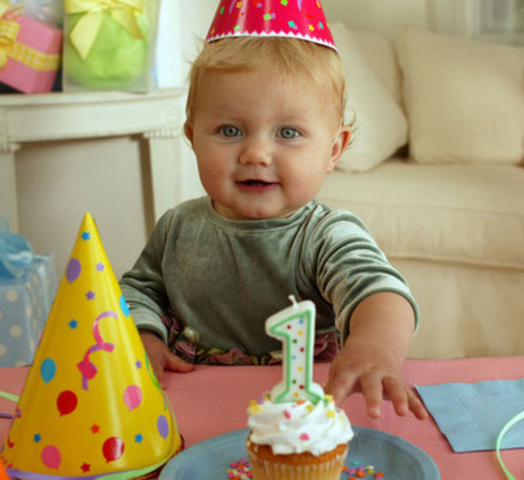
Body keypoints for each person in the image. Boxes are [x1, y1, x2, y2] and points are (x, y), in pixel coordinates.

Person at [120, 9, 427, 421]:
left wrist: (374, 348)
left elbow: (379, 291)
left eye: (288, 133)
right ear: (192, 136)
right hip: (195, 406)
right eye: (230, 131)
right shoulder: (177, 227)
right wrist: (143, 335)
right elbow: (139, 290)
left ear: (334, 149)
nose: (256, 154)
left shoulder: (325, 235)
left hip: (306, 417)